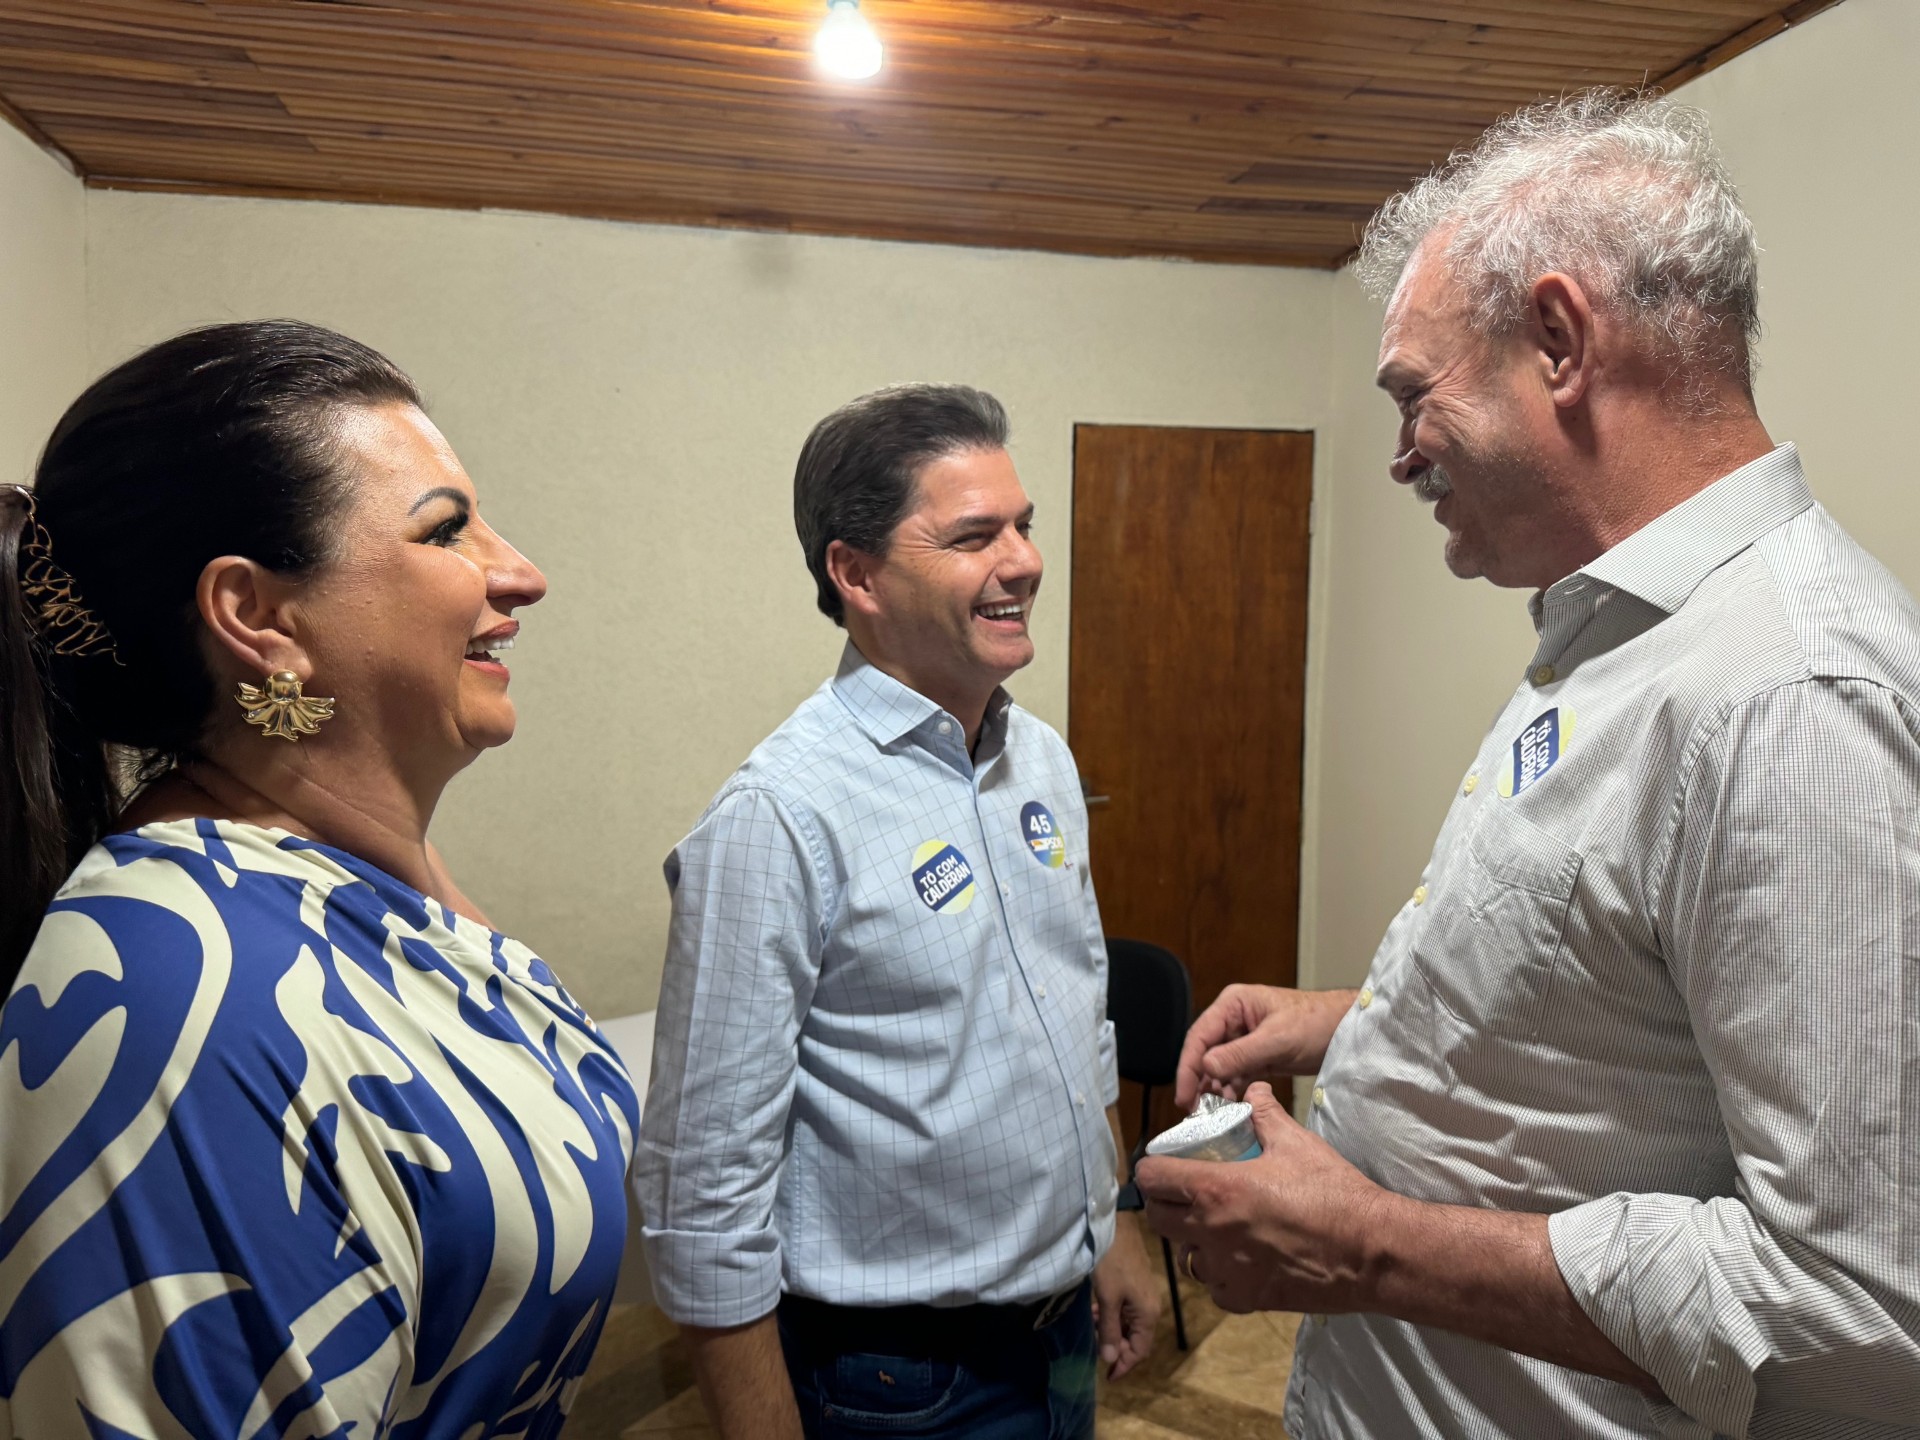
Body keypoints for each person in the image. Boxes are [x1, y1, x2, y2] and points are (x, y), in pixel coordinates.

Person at [1136, 90, 1920, 1439]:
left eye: (1412, 397)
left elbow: (1862, 1322)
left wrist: (1364, 1245)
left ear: (1559, 339)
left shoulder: (1794, 695)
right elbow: (1623, 992)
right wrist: (1357, 1024)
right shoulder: (1617, 631)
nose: (1397, 457)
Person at [0, 321, 637, 1438]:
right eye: (447, 531)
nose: (521, 573)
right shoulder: (180, 1000)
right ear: (256, 618)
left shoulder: (363, 880)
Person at [634, 384, 1158, 1440]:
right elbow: (701, 1188)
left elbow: (1074, 1019)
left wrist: (1114, 1227)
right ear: (856, 572)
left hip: (1056, 1340)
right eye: (974, 536)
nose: (1022, 562)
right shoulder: (778, 817)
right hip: (899, 1385)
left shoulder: (1040, 760)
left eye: (1023, 525)